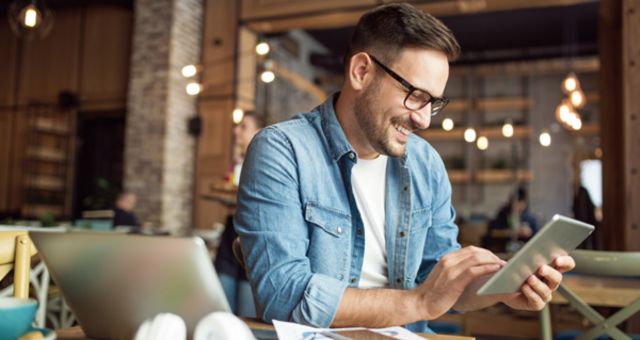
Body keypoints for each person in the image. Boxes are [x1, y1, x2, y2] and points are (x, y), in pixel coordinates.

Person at [234, 3, 575, 333]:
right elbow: (282, 294)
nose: (424, 119)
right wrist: (419, 303)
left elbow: (439, 282)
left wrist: (504, 287)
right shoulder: (282, 151)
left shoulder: (426, 164)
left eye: (434, 103)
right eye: (414, 94)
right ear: (361, 72)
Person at [214, 112, 263, 317]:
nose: (236, 131)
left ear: (258, 132)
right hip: (229, 230)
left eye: (243, 126)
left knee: (246, 312)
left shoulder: (265, 163)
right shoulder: (235, 163)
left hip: (252, 234)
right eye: (237, 126)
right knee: (222, 306)